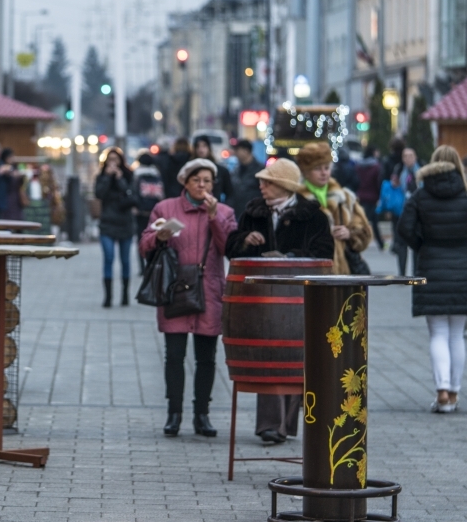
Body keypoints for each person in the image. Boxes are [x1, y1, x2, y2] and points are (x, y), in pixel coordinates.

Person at [225, 158, 334, 443]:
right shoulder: (253, 212)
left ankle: (284, 424)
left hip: (300, 298)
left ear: (284, 185)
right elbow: (231, 246)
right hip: (260, 299)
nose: (261, 186)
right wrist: (246, 240)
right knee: (268, 354)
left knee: (296, 357)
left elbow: (323, 251)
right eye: (261, 181)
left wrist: (288, 258)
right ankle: (271, 425)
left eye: (268, 182)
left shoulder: (313, 216)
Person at [139, 158, 238, 437]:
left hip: (209, 292)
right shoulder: (165, 208)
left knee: (207, 358)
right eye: (197, 180)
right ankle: (174, 414)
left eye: (207, 180)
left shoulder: (225, 212)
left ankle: (201, 414)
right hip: (175, 289)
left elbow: (227, 248)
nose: (202, 185)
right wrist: (159, 236)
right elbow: (144, 246)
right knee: (174, 355)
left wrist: (214, 216)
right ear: (185, 182)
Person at [397, 145, 467, 413]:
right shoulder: (465, 193)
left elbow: (404, 228)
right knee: (457, 334)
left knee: (437, 332)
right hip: (463, 271)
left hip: (431, 267)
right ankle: (455, 393)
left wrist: (422, 245)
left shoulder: (421, 195)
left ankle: (441, 391)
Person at [296, 142, 372, 274]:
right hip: (310, 273)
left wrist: (349, 233)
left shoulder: (345, 197)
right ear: (306, 171)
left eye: (327, 167)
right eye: (317, 168)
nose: (324, 173)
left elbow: (364, 232)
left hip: (342, 275)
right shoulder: (296, 198)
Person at [95, 147, 136, 308]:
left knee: (125, 260)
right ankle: (108, 296)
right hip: (107, 223)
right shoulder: (101, 177)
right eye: (110, 160)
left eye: (116, 160)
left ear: (121, 161)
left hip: (125, 223)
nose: (113, 163)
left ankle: (125, 294)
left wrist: (120, 179)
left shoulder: (129, 175)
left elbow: (131, 195)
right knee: (109, 258)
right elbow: (99, 194)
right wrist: (106, 178)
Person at [132, 152, 165, 274]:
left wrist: (136, 207)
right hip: (155, 212)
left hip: (141, 212)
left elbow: (134, 193)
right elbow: (161, 194)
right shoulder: (157, 176)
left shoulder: (136, 175)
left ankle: (142, 267)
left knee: (141, 239)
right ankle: (152, 264)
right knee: (154, 238)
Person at [391, 148, 421, 275]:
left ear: (415, 157)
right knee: (401, 243)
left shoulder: (421, 170)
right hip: (401, 212)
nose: (408, 158)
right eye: (405, 156)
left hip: (418, 212)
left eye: (410, 155)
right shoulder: (398, 170)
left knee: (417, 243)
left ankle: (416, 273)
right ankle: (402, 273)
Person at [356, 145, 384, 249]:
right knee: (372, 221)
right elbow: (378, 183)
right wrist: (379, 196)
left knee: (363, 220)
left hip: (360, 196)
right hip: (372, 197)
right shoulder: (376, 167)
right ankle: (380, 243)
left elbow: (356, 181)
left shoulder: (358, 166)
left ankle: (361, 241)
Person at [193, 135, 234, 204]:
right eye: (198, 146)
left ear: (209, 148)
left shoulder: (220, 171)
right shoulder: (189, 170)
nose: (201, 149)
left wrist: (223, 210)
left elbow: (230, 194)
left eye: (204, 146)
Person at [231, 139, 264, 218]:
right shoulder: (236, 170)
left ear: (246, 151)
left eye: (237, 150)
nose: (235, 153)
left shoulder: (260, 170)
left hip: (253, 214)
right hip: (237, 212)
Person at [0, 148, 27, 221]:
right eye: (10, 157)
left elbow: (20, 183)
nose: (12, 158)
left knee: (18, 220)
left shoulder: (15, 167)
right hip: (6, 199)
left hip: (16, 198)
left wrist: (21, 177)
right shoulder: (2, 168)